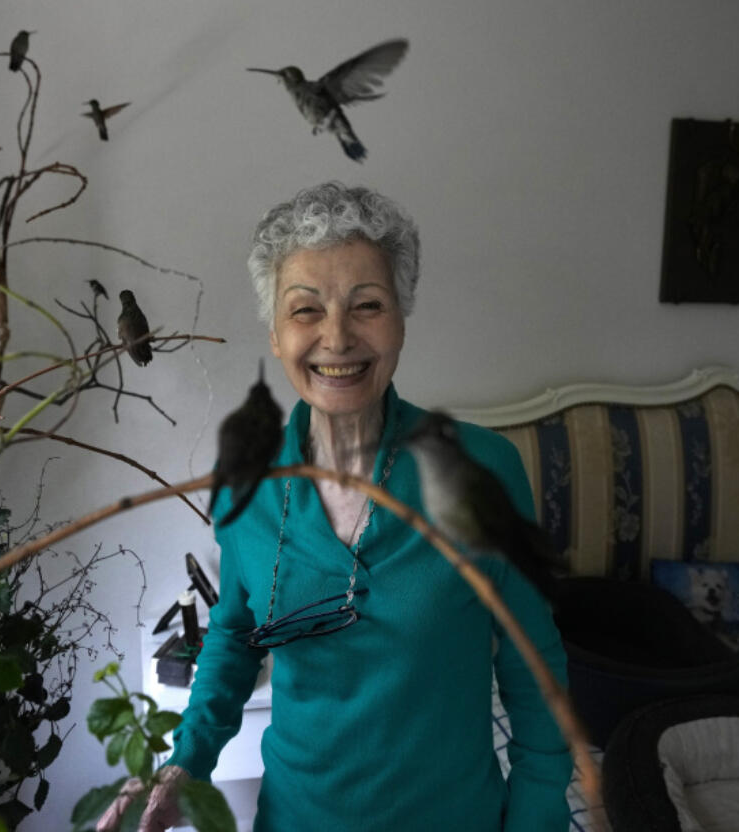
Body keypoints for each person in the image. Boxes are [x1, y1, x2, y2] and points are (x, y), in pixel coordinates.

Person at [97, 182, 572, 831]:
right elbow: (235, 636)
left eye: (367, 305)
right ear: (275, 333)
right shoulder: (247, 484)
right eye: (306, 310)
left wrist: (538, 816)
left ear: (401, 317)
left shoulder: (483, 469)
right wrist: (188, 761)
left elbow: (535, 671)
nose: (338, 336)